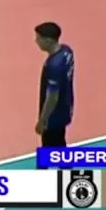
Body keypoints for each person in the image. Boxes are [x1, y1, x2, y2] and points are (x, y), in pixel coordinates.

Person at [34, 22, 75, 150]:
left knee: (51, 148)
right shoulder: (67, 51)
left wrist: (42, 121)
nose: (36, 41)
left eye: (38, 38)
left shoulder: (54, 66)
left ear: (48, 41)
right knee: (60, 142)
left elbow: (52, 97)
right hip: (65, 107)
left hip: (53, 117)